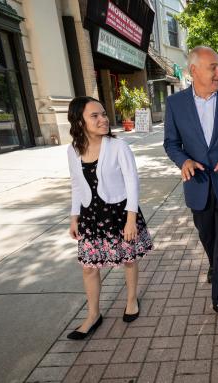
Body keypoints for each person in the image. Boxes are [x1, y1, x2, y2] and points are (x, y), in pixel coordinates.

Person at [163, 46, 218, 328]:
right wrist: (184, 161)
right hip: (197, 186)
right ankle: (215, 265)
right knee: (206, 235)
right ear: (194, 71)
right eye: (213, 67)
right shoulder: (176, 104)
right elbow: (171, 143)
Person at [66, 96, 153, 340]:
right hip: (90, 215)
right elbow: (76, 184)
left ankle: (131, 299)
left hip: (118, 213)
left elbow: (132, 183)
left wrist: (130, 219)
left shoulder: (118, 146)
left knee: (127, 259)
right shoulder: (73, 150)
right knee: (88, 268)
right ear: (79, 121)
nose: (103, 119)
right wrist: (74, 217)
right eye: (95, 116)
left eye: (103, 114)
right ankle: (93, 315)